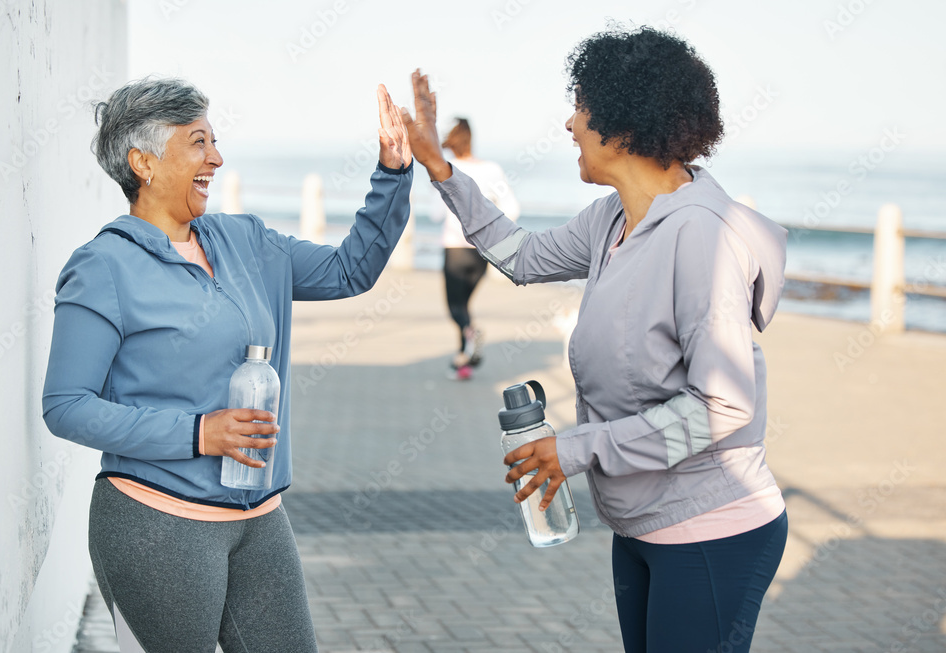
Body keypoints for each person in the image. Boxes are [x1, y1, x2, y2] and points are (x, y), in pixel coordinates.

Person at [400, 25, 788, 653]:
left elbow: (722, 406)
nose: (569, 124)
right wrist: (441, 169)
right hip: (642, 527)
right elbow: (520, 255)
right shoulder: (612, 219)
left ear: (624, 124)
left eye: (580, 108)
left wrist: (575, 449)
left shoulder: (700, 238)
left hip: (712, 529)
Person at [42, 77, 412, 652]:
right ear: (144, 162)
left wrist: (391, 172)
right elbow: (66, 407)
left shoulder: (246, 239)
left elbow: (349, 271)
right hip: (154, 522)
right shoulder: (103, 267)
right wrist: (199, 433)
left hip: (259, 516)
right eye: (197, 142)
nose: (216, 157)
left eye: (213, 140)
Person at [430, 118, 520, 380]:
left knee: (455, 308)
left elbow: (436, 213)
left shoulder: (446, 170)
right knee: (465, 305)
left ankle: (471, 333)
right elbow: (511, 208)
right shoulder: (492, 170)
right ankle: (463, 363)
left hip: (455, 249)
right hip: (482, 251)